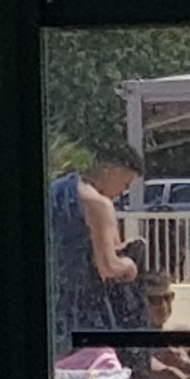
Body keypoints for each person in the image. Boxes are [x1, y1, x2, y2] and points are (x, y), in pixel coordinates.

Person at [52, 152, 146, 355]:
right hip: (81, 307)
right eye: (126, 183)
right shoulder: (98, 204)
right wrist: (129, 265)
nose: (123, 192)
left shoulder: (57, 190)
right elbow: (108, 266)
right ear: (113, 172)